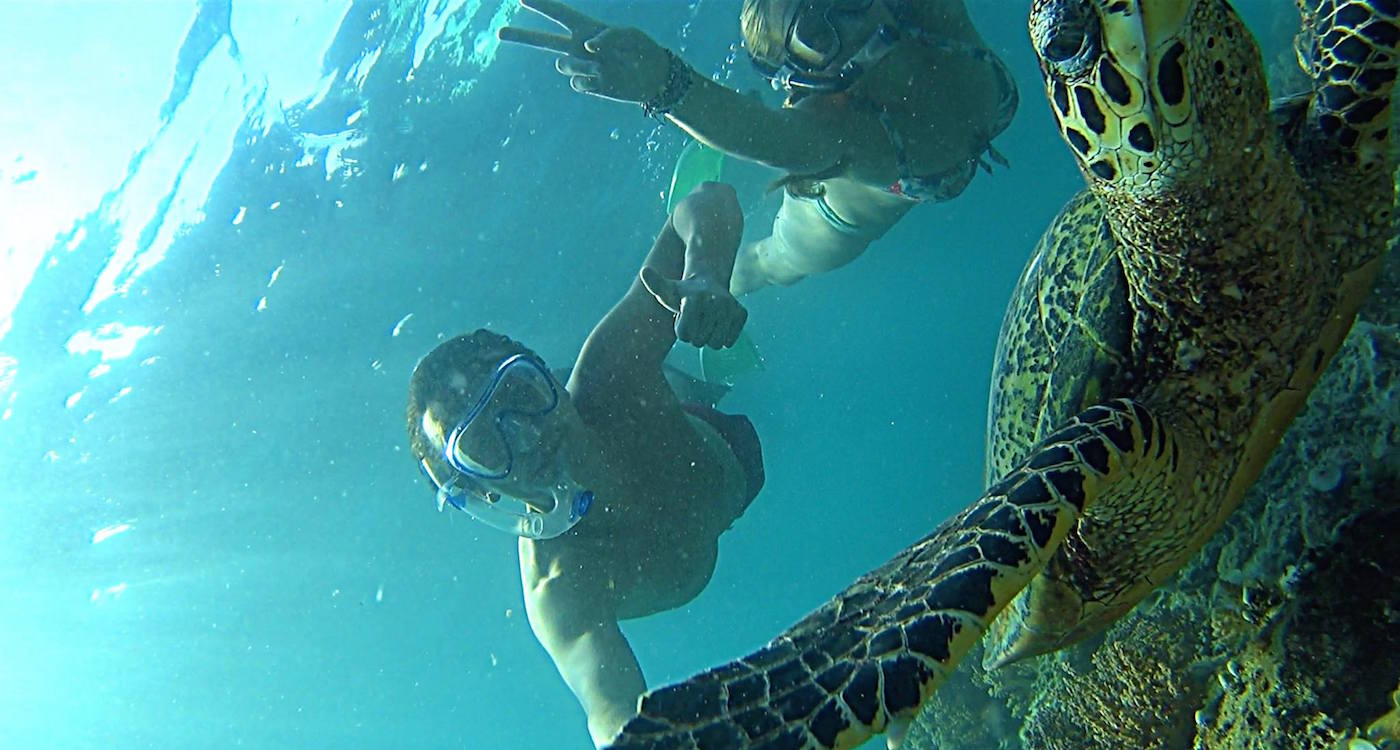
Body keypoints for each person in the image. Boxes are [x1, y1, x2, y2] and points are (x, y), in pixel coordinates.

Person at [404, 183, 764, 748]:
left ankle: (693, 353)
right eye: (486, 446)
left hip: (722, 446)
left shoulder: (610, 373)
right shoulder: (560, 587)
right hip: (714, 493)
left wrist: (707, 276)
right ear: (478, 489)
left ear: (546, 372)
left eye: (520, 392)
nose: (528, 436)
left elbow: (708, 201)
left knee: (675, 377)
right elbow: (614, 713)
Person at [500, 0, 1018, 295]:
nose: (852, 22)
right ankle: (713, 269)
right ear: (809, 74)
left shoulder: (926, 11)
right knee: (774, 263)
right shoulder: (848, 134)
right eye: (818, 29)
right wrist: (664, 82)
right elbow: (773, 139)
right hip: (837, 217)